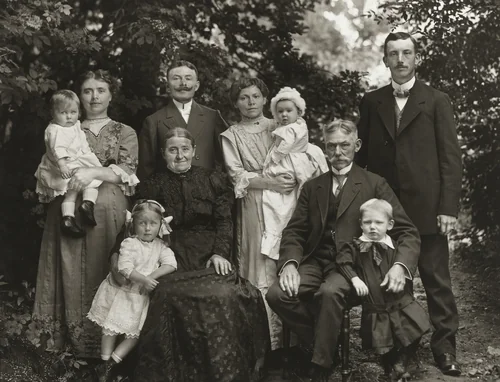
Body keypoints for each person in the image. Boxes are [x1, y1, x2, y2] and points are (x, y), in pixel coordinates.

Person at [266, 119, 421, 382]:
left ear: (357, 145)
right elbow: (295, 232)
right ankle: (326, 343)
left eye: (344, 145)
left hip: (353, 265)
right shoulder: (313, 187)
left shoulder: (374, 183)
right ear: (324, 148)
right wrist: (290, 263)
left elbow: (407, 231)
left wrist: (399, 266)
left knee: (329, 292)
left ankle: (320, 366)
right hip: (315, 260)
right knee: (277, 295)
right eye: (331, 146)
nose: (338, 153)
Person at [110, 127, 270, 381]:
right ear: (164, 154)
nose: (180, 155)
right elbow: (134, 224)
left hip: (209, 253)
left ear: (194, 152)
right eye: (173, 150)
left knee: (225, 293)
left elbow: (224, 222)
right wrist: (117, 254)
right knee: (167, 294)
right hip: (168, 255)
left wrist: (220, 253)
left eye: (185, 149)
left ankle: (221, 372)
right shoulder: (151, 185)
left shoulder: (213, 180)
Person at [357, 32, 462, 376]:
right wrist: (369, 208)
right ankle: (400, 348)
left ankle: (445, 348)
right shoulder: (372, 102)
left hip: (428, 208)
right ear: (385, 60)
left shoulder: (437, 100)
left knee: (437, 281)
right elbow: (365, 161)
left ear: (416, 58)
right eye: (393, 54)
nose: (400, 60)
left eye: (407, 53)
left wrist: (448, 207)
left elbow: (450, 158)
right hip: (387, 212)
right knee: (392, 281)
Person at [33, 69, 139, 358]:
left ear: (111, 95)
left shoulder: (123, 131)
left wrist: (92, 171)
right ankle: (64, 349)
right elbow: (50, 165)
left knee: (103, 269)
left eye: (100, 90)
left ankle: (104, 353)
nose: (94, 96)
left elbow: (128, 172)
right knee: (66, 269)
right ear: (79, 96)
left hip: (106, 211)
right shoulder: (61, 127)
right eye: (88, 90)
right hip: (67, 205)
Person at [220, 78, 297, 351]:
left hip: (286, 201)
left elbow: (299, 156)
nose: (250, 102)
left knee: (285, 258)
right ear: (235, 102)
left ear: (266, 99)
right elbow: (236, 174)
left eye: (255, 96)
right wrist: (269, 182)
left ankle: (293, 343)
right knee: (257, 265)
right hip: (253, 202)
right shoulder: (231, 135)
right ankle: (263, 346)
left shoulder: (281, 126)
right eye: (243, 97)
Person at [337, 198, 430, 381]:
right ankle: (391, 367)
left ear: (390, 224)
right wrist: (355, 279)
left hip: (399, 302)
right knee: (382, 338)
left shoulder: (394, 246)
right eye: (367, 222)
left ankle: (404, 359)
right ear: (360, 224)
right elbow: (342, 261)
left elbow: (406, 264)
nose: (373, 227)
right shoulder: (356, 247)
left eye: (379, 222)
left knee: (414, 327)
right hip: (376, 305)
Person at [88, 200, 177, 382]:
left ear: (160, 225)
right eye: (142, 223)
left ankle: (109, 364)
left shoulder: (160, 246)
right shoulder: (129, 243)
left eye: (153, 223)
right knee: (110, 330)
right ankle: (104, 363)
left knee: (134, 334)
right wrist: (144, 279)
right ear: (133, 224)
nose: (147, 229)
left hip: (138, 298)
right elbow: (124, 267)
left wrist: (151, 276)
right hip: (121, 292)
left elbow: (171, 264)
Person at [261, 86, 328, 258]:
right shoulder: (288, 127)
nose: (284, 115)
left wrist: (274, 157)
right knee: (280, 204)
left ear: (298, 112)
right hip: (288, 160)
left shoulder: (294, 128)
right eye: (280, 111)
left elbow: (285, 146)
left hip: (293, 160)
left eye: (288, 111)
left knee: (296, 196)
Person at [138, 60, 228, 180]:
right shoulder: (153, 121)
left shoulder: (212, 117)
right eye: (176, 78)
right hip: (167, 193)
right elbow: (146, 169)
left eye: (188, 78)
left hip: (206, 192)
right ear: (168, 87)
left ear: (196, 85)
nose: (183, 83)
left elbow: (228, 161)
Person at [34, 89, 103, 237]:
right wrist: (63, 165)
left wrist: (88, 155)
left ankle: (78, 210)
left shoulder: (75, 125)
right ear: (53, 114)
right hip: (65, 165)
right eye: (64, 113)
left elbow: (82, 142)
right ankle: (78, 211)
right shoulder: (55, 130)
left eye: (73, 112)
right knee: (82, 186)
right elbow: (57, 149)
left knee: (82, 186)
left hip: (78, 160)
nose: (69, 116)